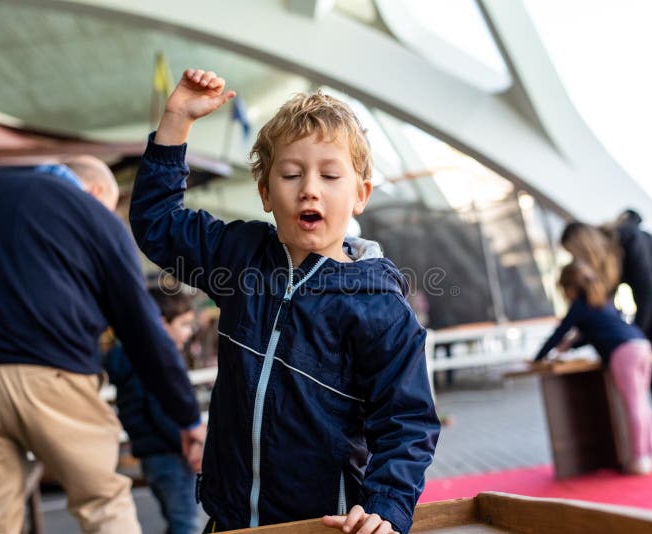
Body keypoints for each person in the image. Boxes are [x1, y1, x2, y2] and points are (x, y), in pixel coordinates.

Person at [130, 69, 440, 534]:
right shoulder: (239, 258)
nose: (309, 187)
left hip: (321, 525)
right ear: (265, 193)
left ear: (360, 194)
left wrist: (386, 510)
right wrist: (176, 120)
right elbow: (156, 223)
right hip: (228, 522)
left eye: (330, 175)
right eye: (291, 174)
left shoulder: (378, 304)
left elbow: (406, 421)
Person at [0, 156, 204, 533]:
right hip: (50, 373)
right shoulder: (92, 213)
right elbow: (140, 324)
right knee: (102, 501)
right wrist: (187, 415)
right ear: (97, 191)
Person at [561, 212, 652, 458]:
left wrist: (634, 334)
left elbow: (647, 288)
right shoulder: (607, 262)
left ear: (584, 244)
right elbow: (606, 307)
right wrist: (583, 338)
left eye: (575, 252)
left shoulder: (627, 241)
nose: (577, 259)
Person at [534, 261, 652, 475]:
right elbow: (595, 332)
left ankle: (640, 458)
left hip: (623, 353)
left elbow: (560, 333)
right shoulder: (602, 302)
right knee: (642, 403)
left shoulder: (579, 306)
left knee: (633, 405)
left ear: (571, 288)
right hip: (641, 344)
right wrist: (572, 344)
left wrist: (538, 358)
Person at [105, 284, 200, 534]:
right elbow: (163, 411)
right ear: (160, 324)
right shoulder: (154, 365)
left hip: (152, 454)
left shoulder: (128, 359)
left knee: (177, 521)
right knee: (186, 525)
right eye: (184, 325)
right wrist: (190, 445)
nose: (188, 333)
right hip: (171, 454)